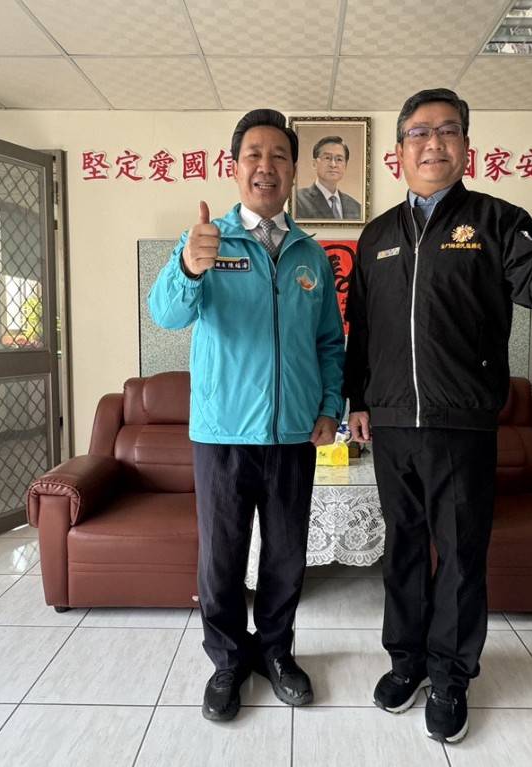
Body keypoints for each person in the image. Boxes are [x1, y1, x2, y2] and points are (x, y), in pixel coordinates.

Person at [343, 88, 532, 744]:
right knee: (402, 549)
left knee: (459, 554)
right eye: (419, 132)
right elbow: (362, 329)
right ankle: (406, 662)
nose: (433, 142)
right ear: (398, 151)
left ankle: (451, 675)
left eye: (448, 130)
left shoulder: (497, 221)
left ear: (465, 147)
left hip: (462, 423)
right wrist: (357, 400)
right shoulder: (376, 236)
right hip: (392, 423)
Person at [148, 109, 345, 723]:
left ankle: (277, 652)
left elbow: (330, 343)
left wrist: (329, 408)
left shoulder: (311, 255)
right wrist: (187, 266)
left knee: (287, 556)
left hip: (293, 435)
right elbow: (166, 314)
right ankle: (229, 661)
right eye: (254, 155)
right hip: (223, 433)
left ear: (293, 170)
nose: (266, 166)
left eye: (279, 155)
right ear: (234, 169)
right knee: (222, 558)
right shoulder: (208, 242)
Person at [295, 136, 362, 219]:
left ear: (345, 165)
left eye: (339, 159)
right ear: (314, 164)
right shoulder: (298, 200)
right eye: (327, 158)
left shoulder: (356, 207)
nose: (333, 165)